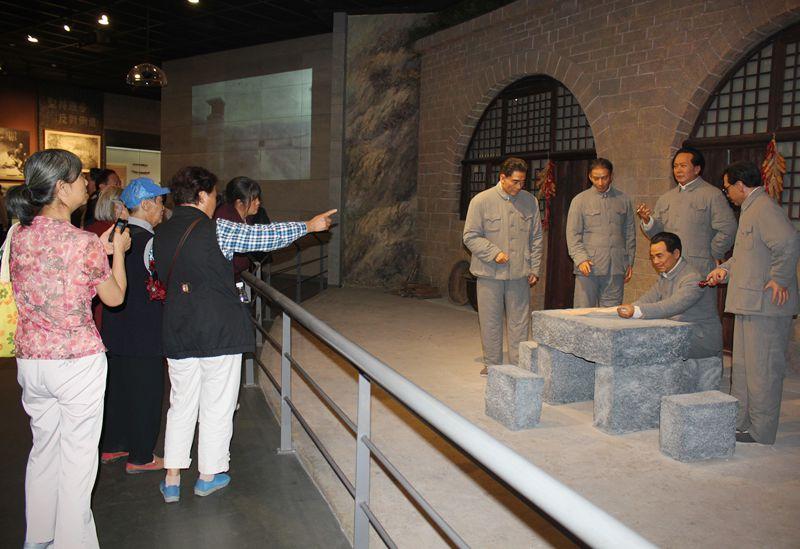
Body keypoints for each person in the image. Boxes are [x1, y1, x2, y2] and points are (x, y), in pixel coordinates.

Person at [153, 166, 336, 503]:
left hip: (178, 328)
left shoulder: (159, 234)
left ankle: (172, 478)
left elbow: (161, 273)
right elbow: (265, 237)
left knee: (180, 404)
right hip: (219, 330)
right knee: (217, 405)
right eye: (214, 195)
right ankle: (208, 476)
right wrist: (309, 226)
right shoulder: (218, 229)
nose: (215, 201)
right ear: (203, 195)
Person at [7, 149, 130, 549]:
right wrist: (119, 254)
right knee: (78, 458)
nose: (87, 185)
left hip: (31, 360)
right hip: (77, 362)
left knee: (44, 449)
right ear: (61, 188)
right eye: (80, 179)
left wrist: (101, 251)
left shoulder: (17, 235)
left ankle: (39, 536)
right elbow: (114, 297)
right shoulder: (83, 242)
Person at [706, 161, 800, 445]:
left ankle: (761, 430)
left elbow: (788, 242)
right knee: (744, 370)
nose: (727, 194)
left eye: (727, 188)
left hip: (766, 307)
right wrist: (725, 270)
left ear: (740, 185)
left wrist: (780, 279)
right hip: (749, 303)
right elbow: (747, 255)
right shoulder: (750, 209)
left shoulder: (764, 209)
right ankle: (741, 422)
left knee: (763, 372)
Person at [100, 177, 170, 473]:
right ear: (146, 204)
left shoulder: (112, 238)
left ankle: (113, 445)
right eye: (160, 202)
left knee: (117, 390)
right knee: (146, 394)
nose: (163, 208)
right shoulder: (151, 242)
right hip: (145, 332)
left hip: (115, 329)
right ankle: (141, 457)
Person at [463, 157, 543, 376]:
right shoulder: (481, 201)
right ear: (502, 177)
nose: (519, 186)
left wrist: (535, 268)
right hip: (489, 273)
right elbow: (470, 236)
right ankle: (492, 364)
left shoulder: (530, 202)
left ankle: (518, 364)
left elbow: (536, 237)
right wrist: (493, 253)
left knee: (519, 322)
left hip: (519, 273)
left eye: (522, 182)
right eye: (515, 181)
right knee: (490, 320)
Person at [617, 232, 723, 387]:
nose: (655, 261)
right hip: (680, 333)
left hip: (701, 338)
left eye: (659, 256)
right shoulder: (666, 275)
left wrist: (636, 311)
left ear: (676, 253)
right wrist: (629, 308)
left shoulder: (692, 278)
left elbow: (671, 306)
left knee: (648, 342)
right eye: (652, 257)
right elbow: (648, 298)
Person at [636, 146, 737, 275]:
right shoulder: (666, 198)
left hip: (699, 267)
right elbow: (658, 236)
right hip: (670, 266)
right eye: (675, 166)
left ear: (697, 169)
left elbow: (728, 229)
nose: (678, 170)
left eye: (683, 166)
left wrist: (714, 253)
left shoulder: (712, 195)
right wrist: (648, 221)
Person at [566, 158, 635, 307]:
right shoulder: (580, 200)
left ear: (611, 176)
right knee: (583, 313)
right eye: (596, 178)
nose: (600, 182)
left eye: (604, 178)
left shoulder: (624, 200)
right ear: (590, 177)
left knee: (611, 314)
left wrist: (629, 262)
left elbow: (629, 233)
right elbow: (573, 235)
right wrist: (581, 259)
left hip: (616, 266)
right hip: (589, 266)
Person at [214, 176, 263, 281]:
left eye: (258, 198)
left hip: (235, 276)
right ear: (239, 202)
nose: (258, 202)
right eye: (254, 199)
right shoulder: (226, 218)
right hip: (225, 280)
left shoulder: (246, 216)